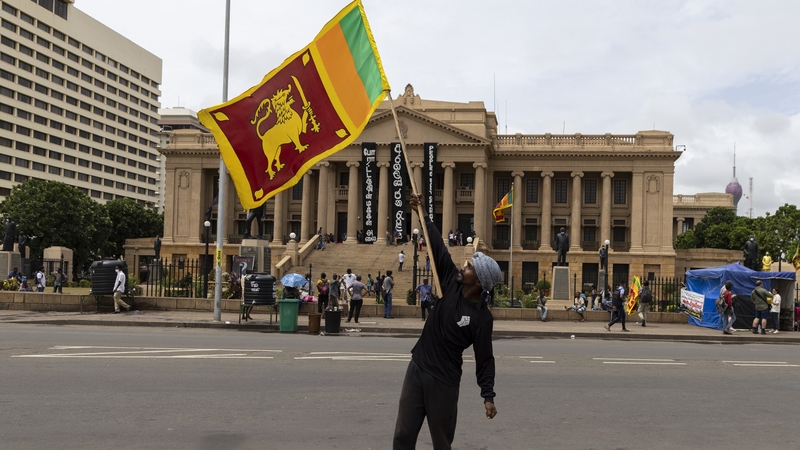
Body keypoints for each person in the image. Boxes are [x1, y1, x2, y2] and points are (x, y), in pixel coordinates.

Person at [394, 193, 500, 449]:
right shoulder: (450, 282)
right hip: (417, 367)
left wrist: (488, 395)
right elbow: (438, 247)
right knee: (402, 436)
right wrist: (422, 213)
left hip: (444, 380)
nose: (464, 266)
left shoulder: (482, 318)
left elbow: (485, 357)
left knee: (441, 442)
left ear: (479, 281)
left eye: (470, 267)